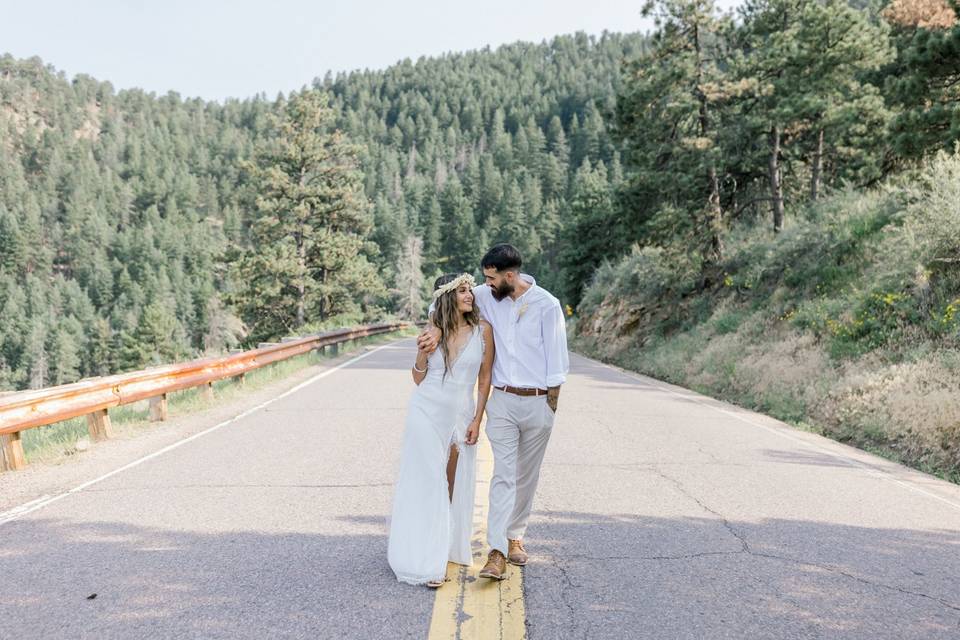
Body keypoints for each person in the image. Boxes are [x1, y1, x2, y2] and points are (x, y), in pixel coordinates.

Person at [418, 244, 569, 580]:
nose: (483, 285)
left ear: (509, 276)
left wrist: (550, 408)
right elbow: (440, 304)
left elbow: (558, 362)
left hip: (538, 401)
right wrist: (437, 328)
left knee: (526, 475)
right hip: (501, 401)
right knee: (503, 473)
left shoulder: (547, 305)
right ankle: (497, 550)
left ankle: (516, 536)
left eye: (490, 277)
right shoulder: (486, 296)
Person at [388, 273, 495, 588]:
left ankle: (441, 544)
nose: (469, 295)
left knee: (450, 483)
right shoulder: (433, 332)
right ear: (448, 296)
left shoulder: (483, 331)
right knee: (428, 481)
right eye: (462, 291)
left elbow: (485, 378)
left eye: (469, 290)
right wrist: (422, 352)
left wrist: (478, 418)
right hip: (425, 411)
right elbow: (418, 377)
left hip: (460, 415)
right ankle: (428, 559)